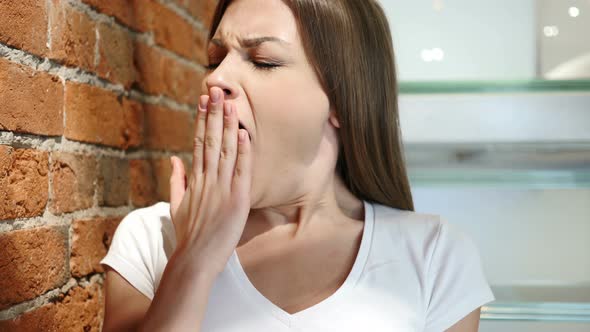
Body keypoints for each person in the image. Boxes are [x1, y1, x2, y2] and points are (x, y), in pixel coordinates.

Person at [100, 0, 495, 331]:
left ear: (342, 99)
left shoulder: (434, 255)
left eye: (264, 61)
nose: (216, 79)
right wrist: (193, 261)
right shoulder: (151, 239)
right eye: (214, 59)